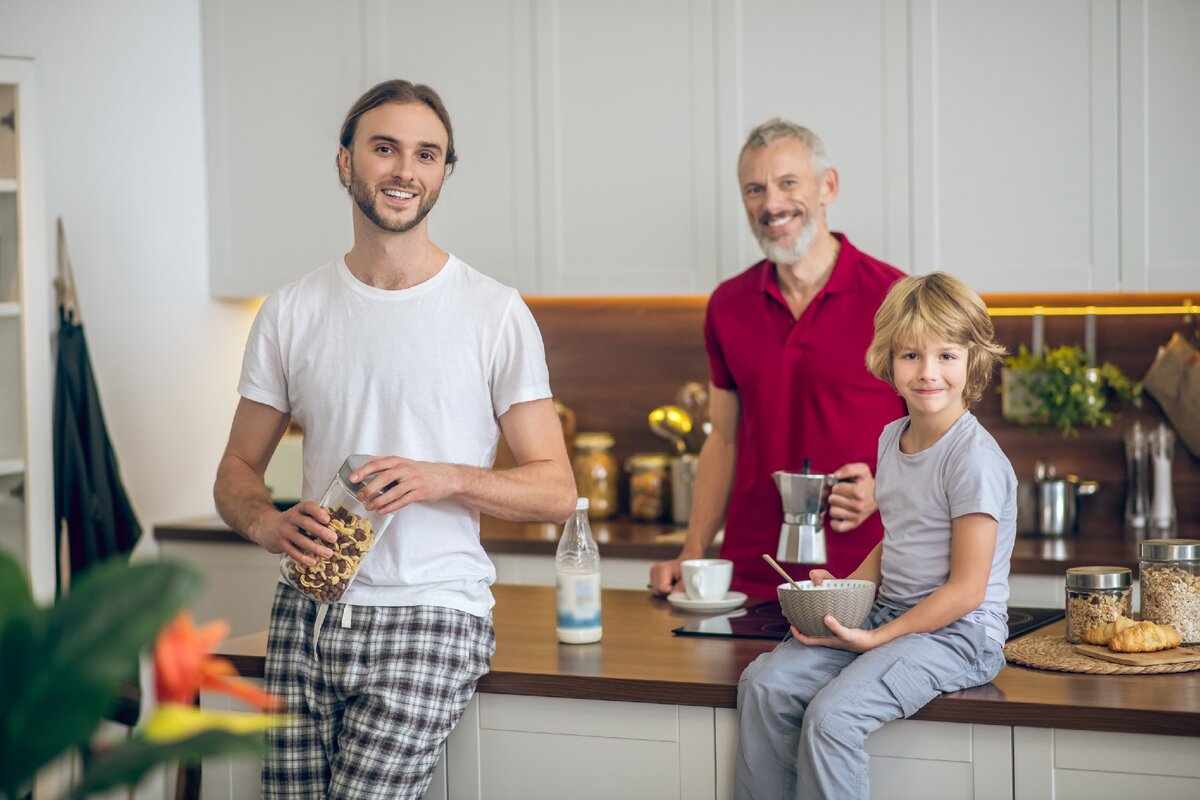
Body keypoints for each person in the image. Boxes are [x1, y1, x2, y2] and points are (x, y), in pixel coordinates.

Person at [213, 79, 576, 799]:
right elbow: (235, 470)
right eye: (385, 148)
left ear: (443, 172)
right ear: (346, 162)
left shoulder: (493, 312)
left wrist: (446, 478)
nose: (405, 169)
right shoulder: (291, 311)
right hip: (308, 606)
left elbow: (556, 490)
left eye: (427, 154)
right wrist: (267, 521)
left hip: (433, 612)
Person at [734, 271, 1015, 799]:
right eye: (911, 355)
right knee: (763, 685)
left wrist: (876, 638)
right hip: (892, 617)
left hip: (958, 636)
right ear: (888, 360)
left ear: (973, 361)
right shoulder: (893, 438)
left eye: (946, 356)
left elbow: (966, 590)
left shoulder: (973, 459)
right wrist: (844, 595)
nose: (928, 372)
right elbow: (900, 538)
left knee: (832, 717)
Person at [649, 119, 907, 598]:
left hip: (872, 577)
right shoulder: (728, 305)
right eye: (754, 189)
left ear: (827, 186)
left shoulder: (895, 296)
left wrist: (886, 488)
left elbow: (939, 436)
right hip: (752, 573)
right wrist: (693, 549)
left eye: (788, 182)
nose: (771, 204)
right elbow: (723, 439)